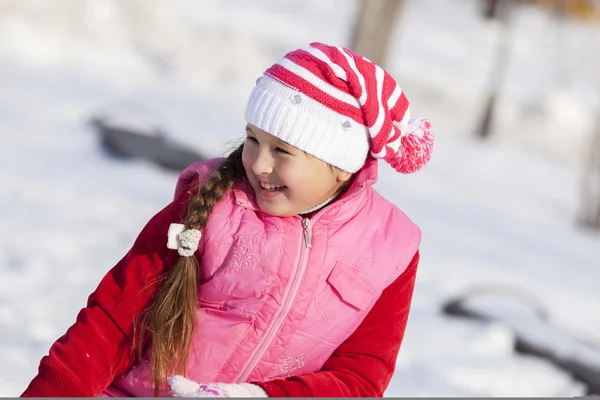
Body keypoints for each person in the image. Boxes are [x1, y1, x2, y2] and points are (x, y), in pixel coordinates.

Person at [21, 41, 433, 398]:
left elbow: (359, 379)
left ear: (341, 165)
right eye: (253, 139)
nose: (258, 163)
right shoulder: (211, 205)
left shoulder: (391, 250)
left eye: (282, 151)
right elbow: (112, 322)